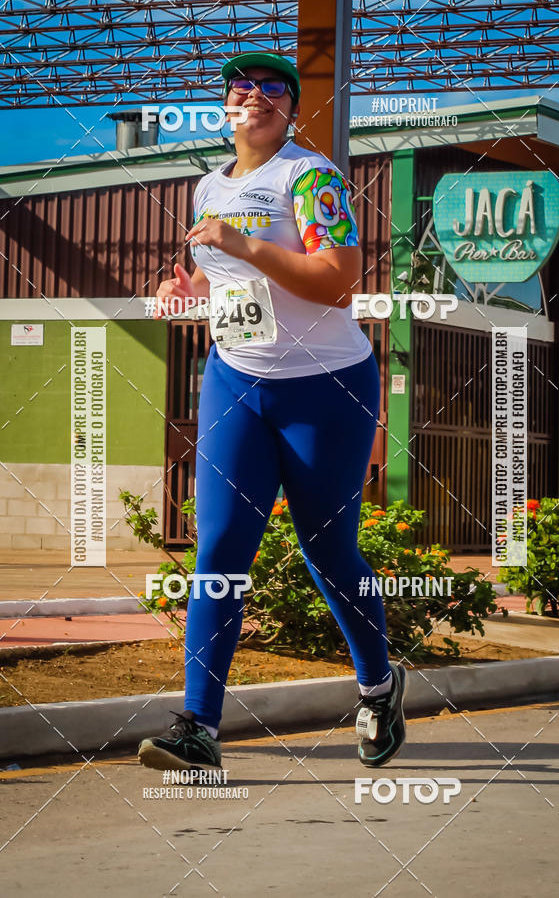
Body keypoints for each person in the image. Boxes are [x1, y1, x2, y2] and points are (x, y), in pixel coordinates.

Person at [137, 52, 407, 772]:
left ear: (290, 108)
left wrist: (243, 244)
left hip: (326, 389)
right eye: (240, 88)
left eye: (271, 88)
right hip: (235, 382)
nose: (253, 96)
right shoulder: (207, 187)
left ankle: (378, 688)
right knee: (219, 551)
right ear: (226, 109)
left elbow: (339, 282)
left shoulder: (310, 176)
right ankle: (197, 727)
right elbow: (210, 271)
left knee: (328, 552)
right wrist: (184, 292)